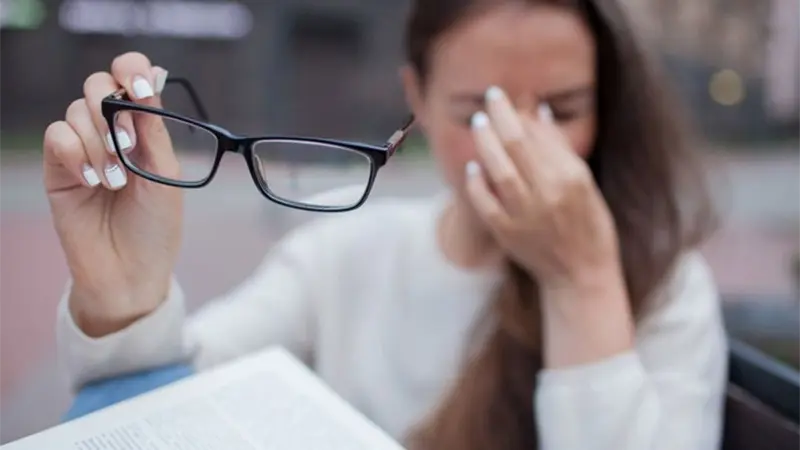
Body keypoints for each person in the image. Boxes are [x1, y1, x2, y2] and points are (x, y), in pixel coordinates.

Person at [43, 0, 727, 449]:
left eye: (563, 109)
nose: (519, 144)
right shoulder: (345, 252)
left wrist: (581, 281)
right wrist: (124, 292)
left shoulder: (663, 286)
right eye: (478, 113)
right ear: (417, 100)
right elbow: (173, 400)